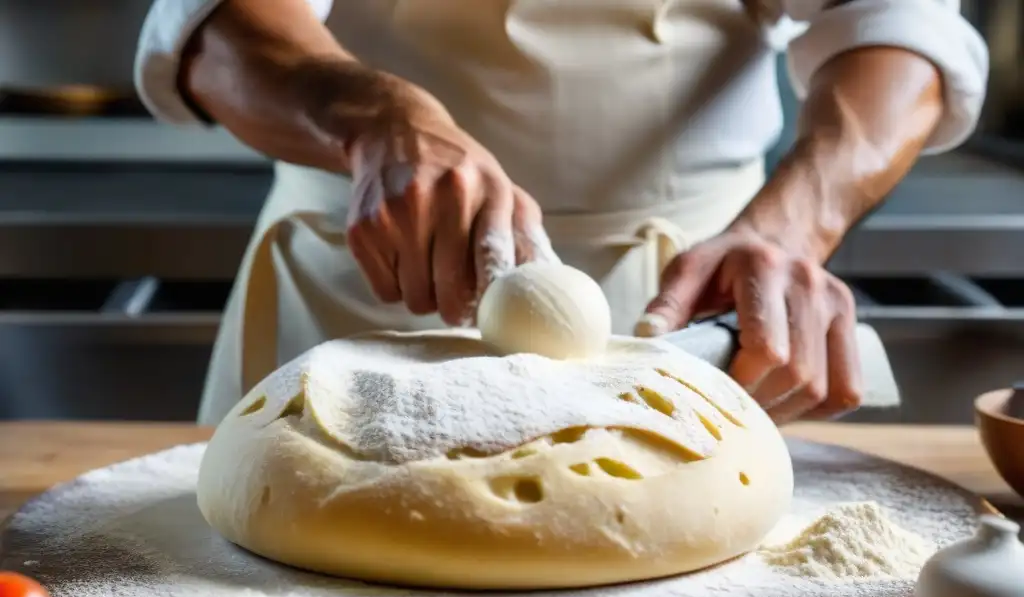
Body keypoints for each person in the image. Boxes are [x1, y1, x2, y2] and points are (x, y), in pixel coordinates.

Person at [134, 0, 987, 426]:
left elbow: (894, 22)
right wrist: (377, 118)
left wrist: (791, 226)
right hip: (360, 287)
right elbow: (213, 25)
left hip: (694, 305)